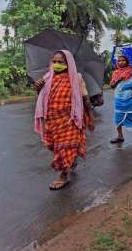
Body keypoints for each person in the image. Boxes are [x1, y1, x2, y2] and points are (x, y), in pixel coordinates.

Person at [33, 50, 94, 190]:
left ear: (68, 63)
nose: (56, 64)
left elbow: (85, 98)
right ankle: (71, 161)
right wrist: (38, 88)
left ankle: (63, 175)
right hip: (52, 120)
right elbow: (43, 96)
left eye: (61, 62)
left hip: (69, 120)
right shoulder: (48, 77)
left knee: (64, 147)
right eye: (54, 61)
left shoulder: (76, 78)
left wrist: (91, 117)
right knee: (53, 146)